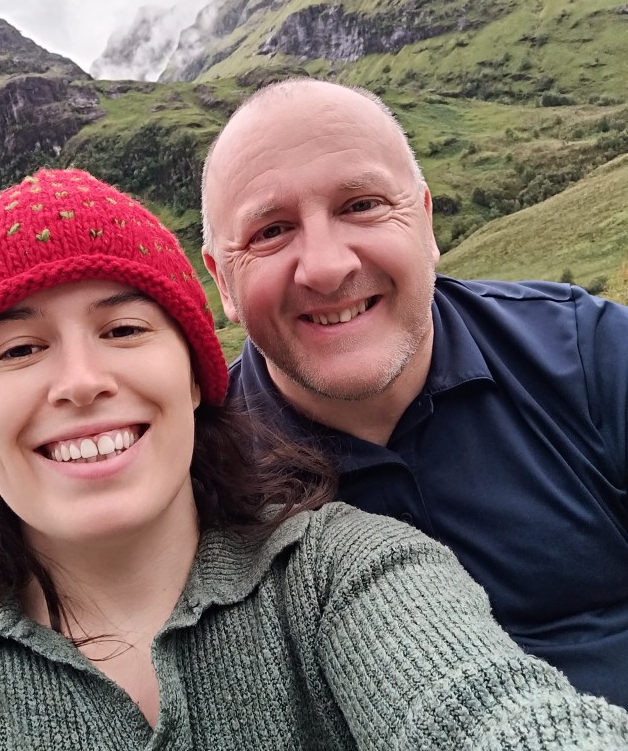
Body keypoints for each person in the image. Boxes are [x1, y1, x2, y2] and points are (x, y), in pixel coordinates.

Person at [0, 168, 627, 751]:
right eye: (19, 349)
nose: (82, 381)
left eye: (124, 330)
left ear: (196, 377)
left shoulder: (342, 575)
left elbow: (502, 743)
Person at [201, 77, 628, 710]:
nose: (326, 266)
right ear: (223, 284)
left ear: (425, 222)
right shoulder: (201, 472)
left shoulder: (588, 354)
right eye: (270, 231)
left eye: (362, 204)